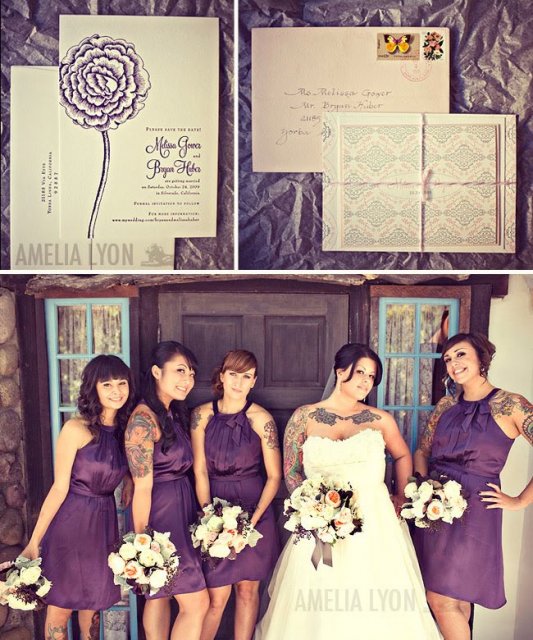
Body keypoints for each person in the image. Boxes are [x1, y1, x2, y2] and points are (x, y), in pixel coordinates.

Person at [255, 343, 441, 639]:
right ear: (340, 372)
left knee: (375, 595)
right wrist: (312, 509)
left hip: (374, 521)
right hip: (320, 521)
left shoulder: (380, 420)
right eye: (361, 373)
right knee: (318, 596)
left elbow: (403, 455)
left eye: (372, 376)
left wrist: (401, 496)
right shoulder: (305, 417)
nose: (366, 381)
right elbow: (291, 470)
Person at [413, 332, 532, 639]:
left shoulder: (511, 404)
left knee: (441, 598)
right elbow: (421, 452)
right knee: (453, 597)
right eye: (448, 359)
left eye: (461, 354)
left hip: (477, 510)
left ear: (481, 357)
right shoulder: (446, 405)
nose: (453, 363)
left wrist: (520, 500)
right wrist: (424, 492)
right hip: (434, 510)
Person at [21, 355, 135, 640]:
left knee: (93, 606)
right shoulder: (76, 428)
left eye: (121, 383)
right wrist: (34, 541)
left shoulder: (125, 432)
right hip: (71, 524)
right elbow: (59, 488)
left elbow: (117, 464)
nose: (116, 391)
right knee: (60, 605)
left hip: (103, 525)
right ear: (93, 388)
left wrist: (129, 479)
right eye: (107, 384)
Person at [191, 350, 281, 640]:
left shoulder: (262, 419)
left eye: (246, 376)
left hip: (255, 510)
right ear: (222, 376)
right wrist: (210, 519)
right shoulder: (201, 415)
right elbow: (200, 470)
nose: (238, 382)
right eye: (233, 374)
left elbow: (274, 476)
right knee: (216, 597)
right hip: (214, 508)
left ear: (254, 381)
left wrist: (252, 522)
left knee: (247, 592)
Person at [125, 341, 209, 640]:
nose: (188, 379)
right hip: (160, 515)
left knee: (158, 595)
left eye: (191, 373)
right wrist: (141, 542)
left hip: (179, 508)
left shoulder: (170, 412)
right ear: (157, 372)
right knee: (197, 603)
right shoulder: (143, 420)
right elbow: (142, 487)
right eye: (180, 371)